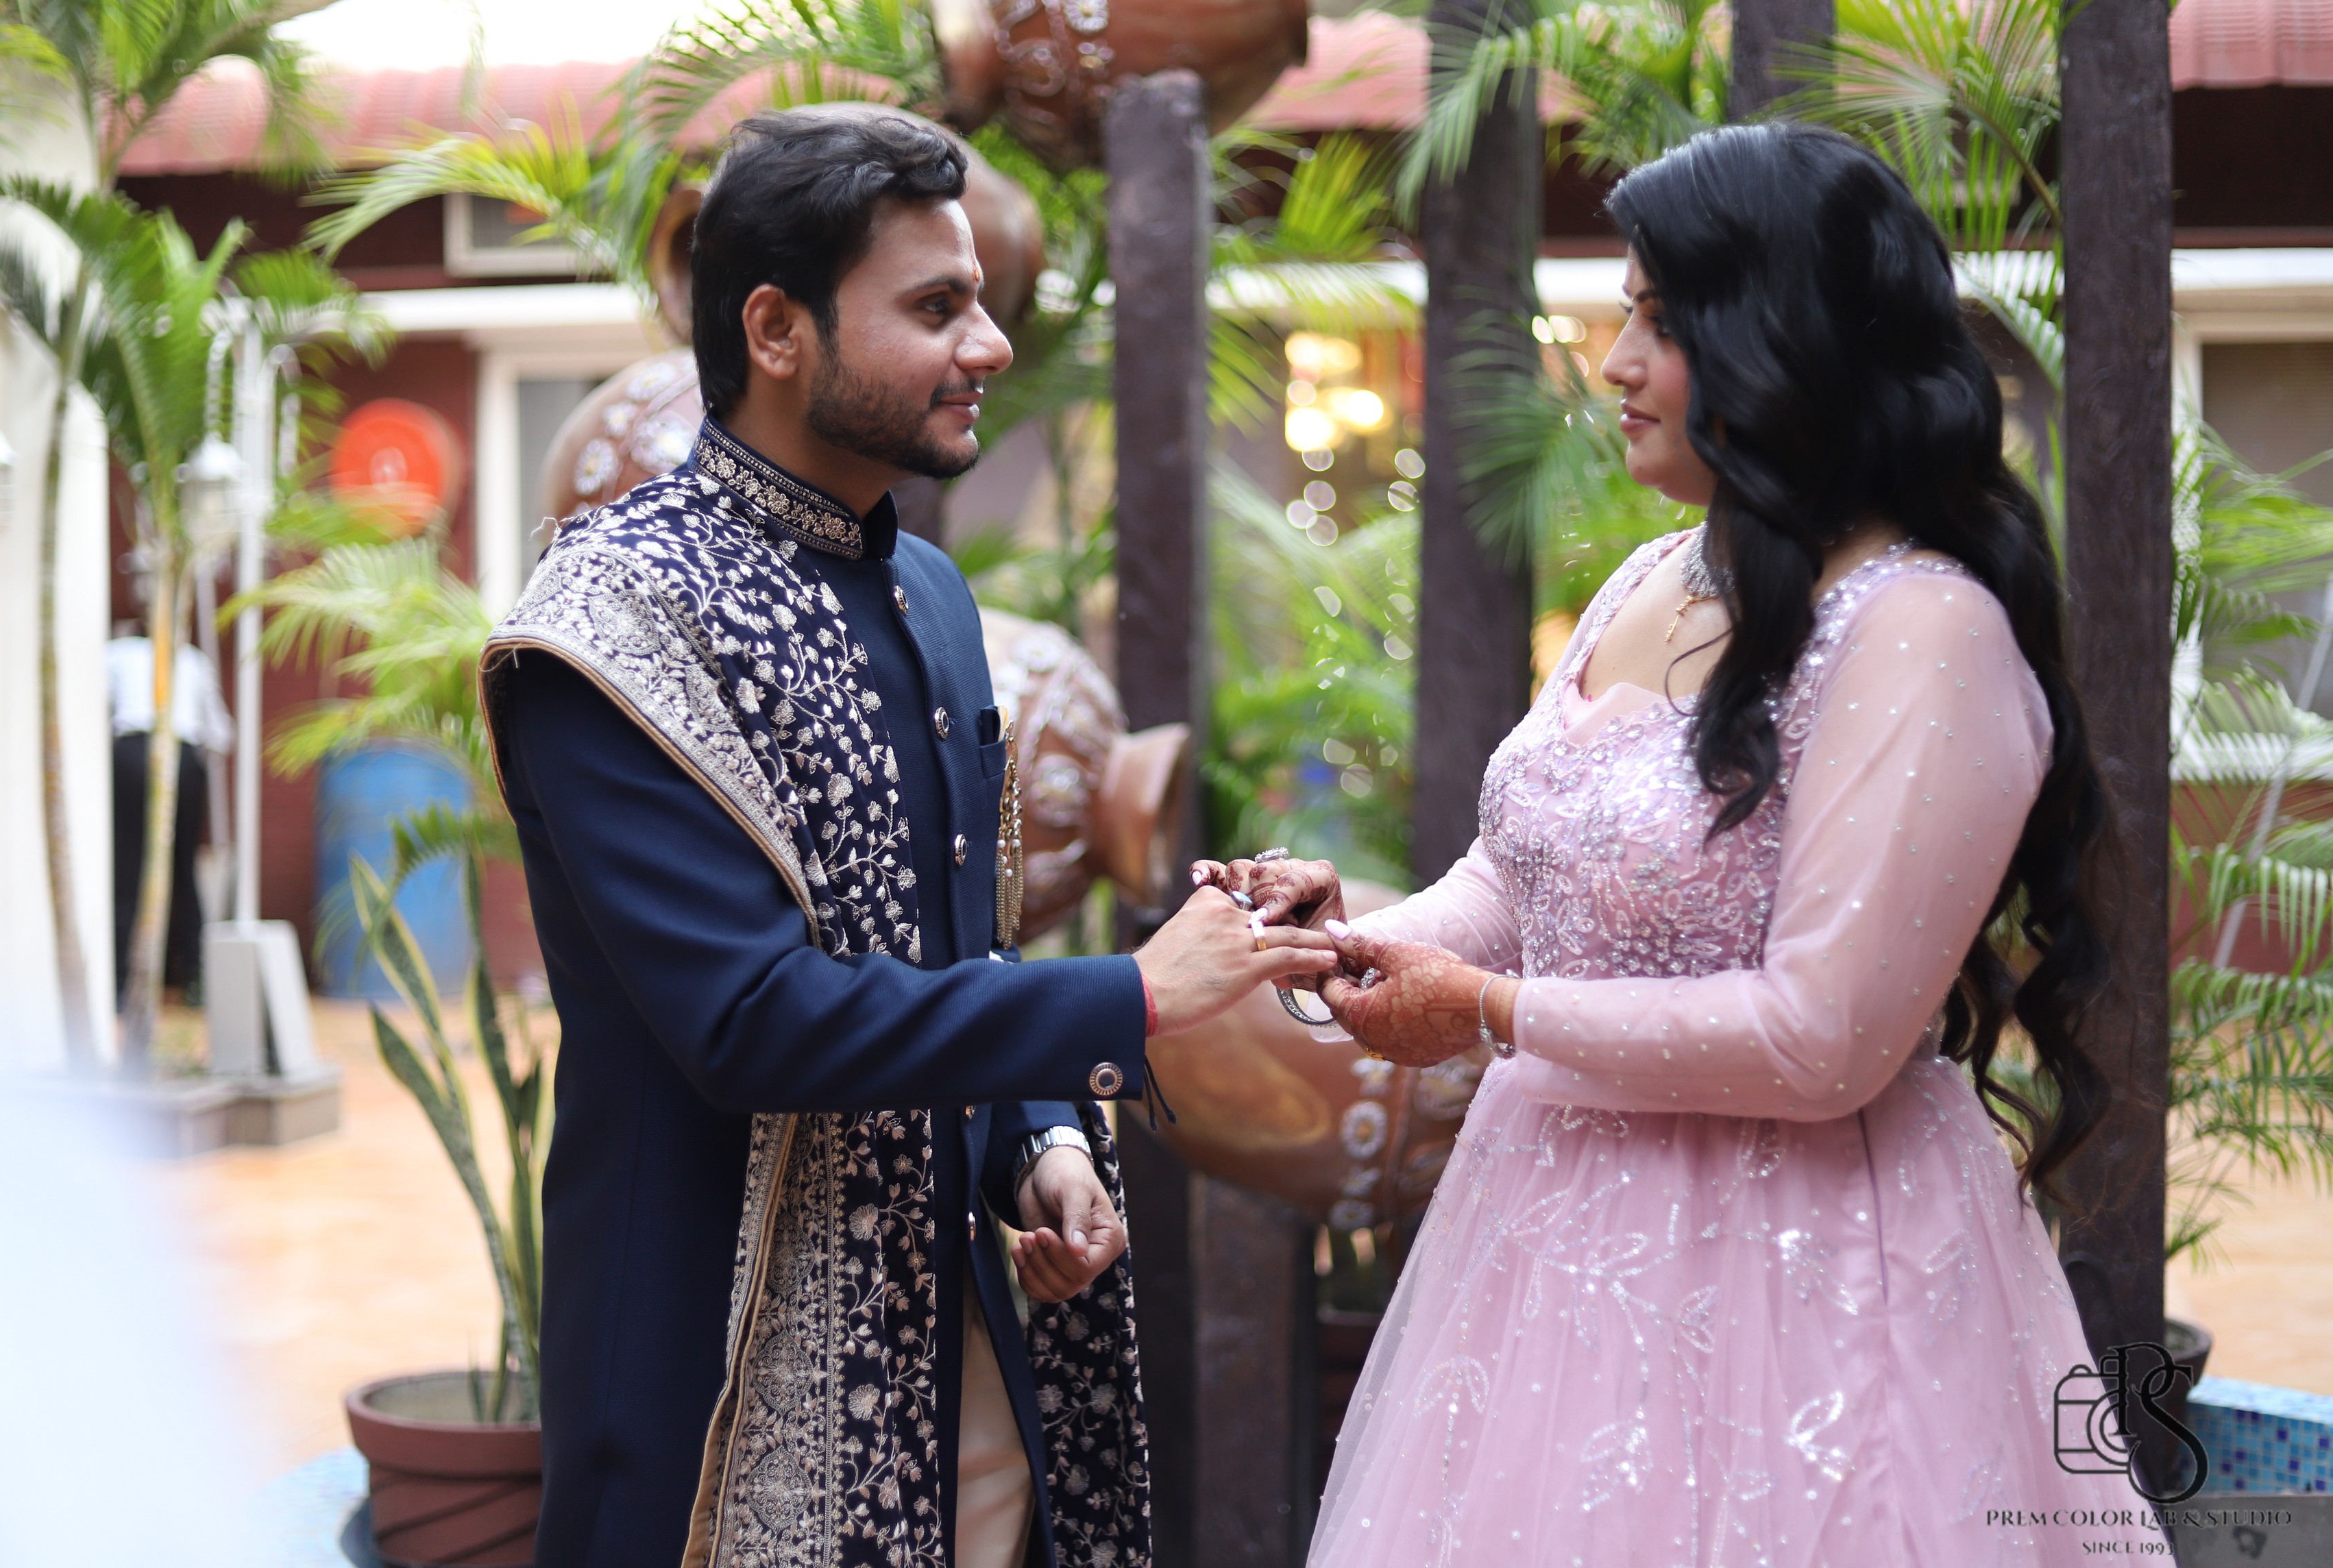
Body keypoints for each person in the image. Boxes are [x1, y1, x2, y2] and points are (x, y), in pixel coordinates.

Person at [1206, 124, 2169, 1564]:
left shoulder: (1922, 629)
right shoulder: (1649, 578)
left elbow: (1824, 1036)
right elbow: (1517, 877)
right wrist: (1346, 939)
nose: (1613, 363)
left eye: (1660, 321)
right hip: (1542, 1249)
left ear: (1784, 339)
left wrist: (1486, 1011)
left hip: (1799, 1277)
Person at [480, 105, 1334, 1568]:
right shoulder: (613, 621)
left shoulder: (930, 596)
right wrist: (1133, 997)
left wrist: (1040, 1144)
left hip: (960, 1364)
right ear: (777, 328)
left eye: (979, 302)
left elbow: (958, 949)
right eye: (935, 308)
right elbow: (752, 1020)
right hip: (713, 1385)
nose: (989, 344)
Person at [108, 620, 231, 1003]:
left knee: (128, 868)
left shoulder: (117, 653)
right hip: (182, 758)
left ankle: (121, 985)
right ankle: (194, 981)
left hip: (131, 755)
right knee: (183, 867)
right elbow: (222, 735)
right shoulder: (193, 659)